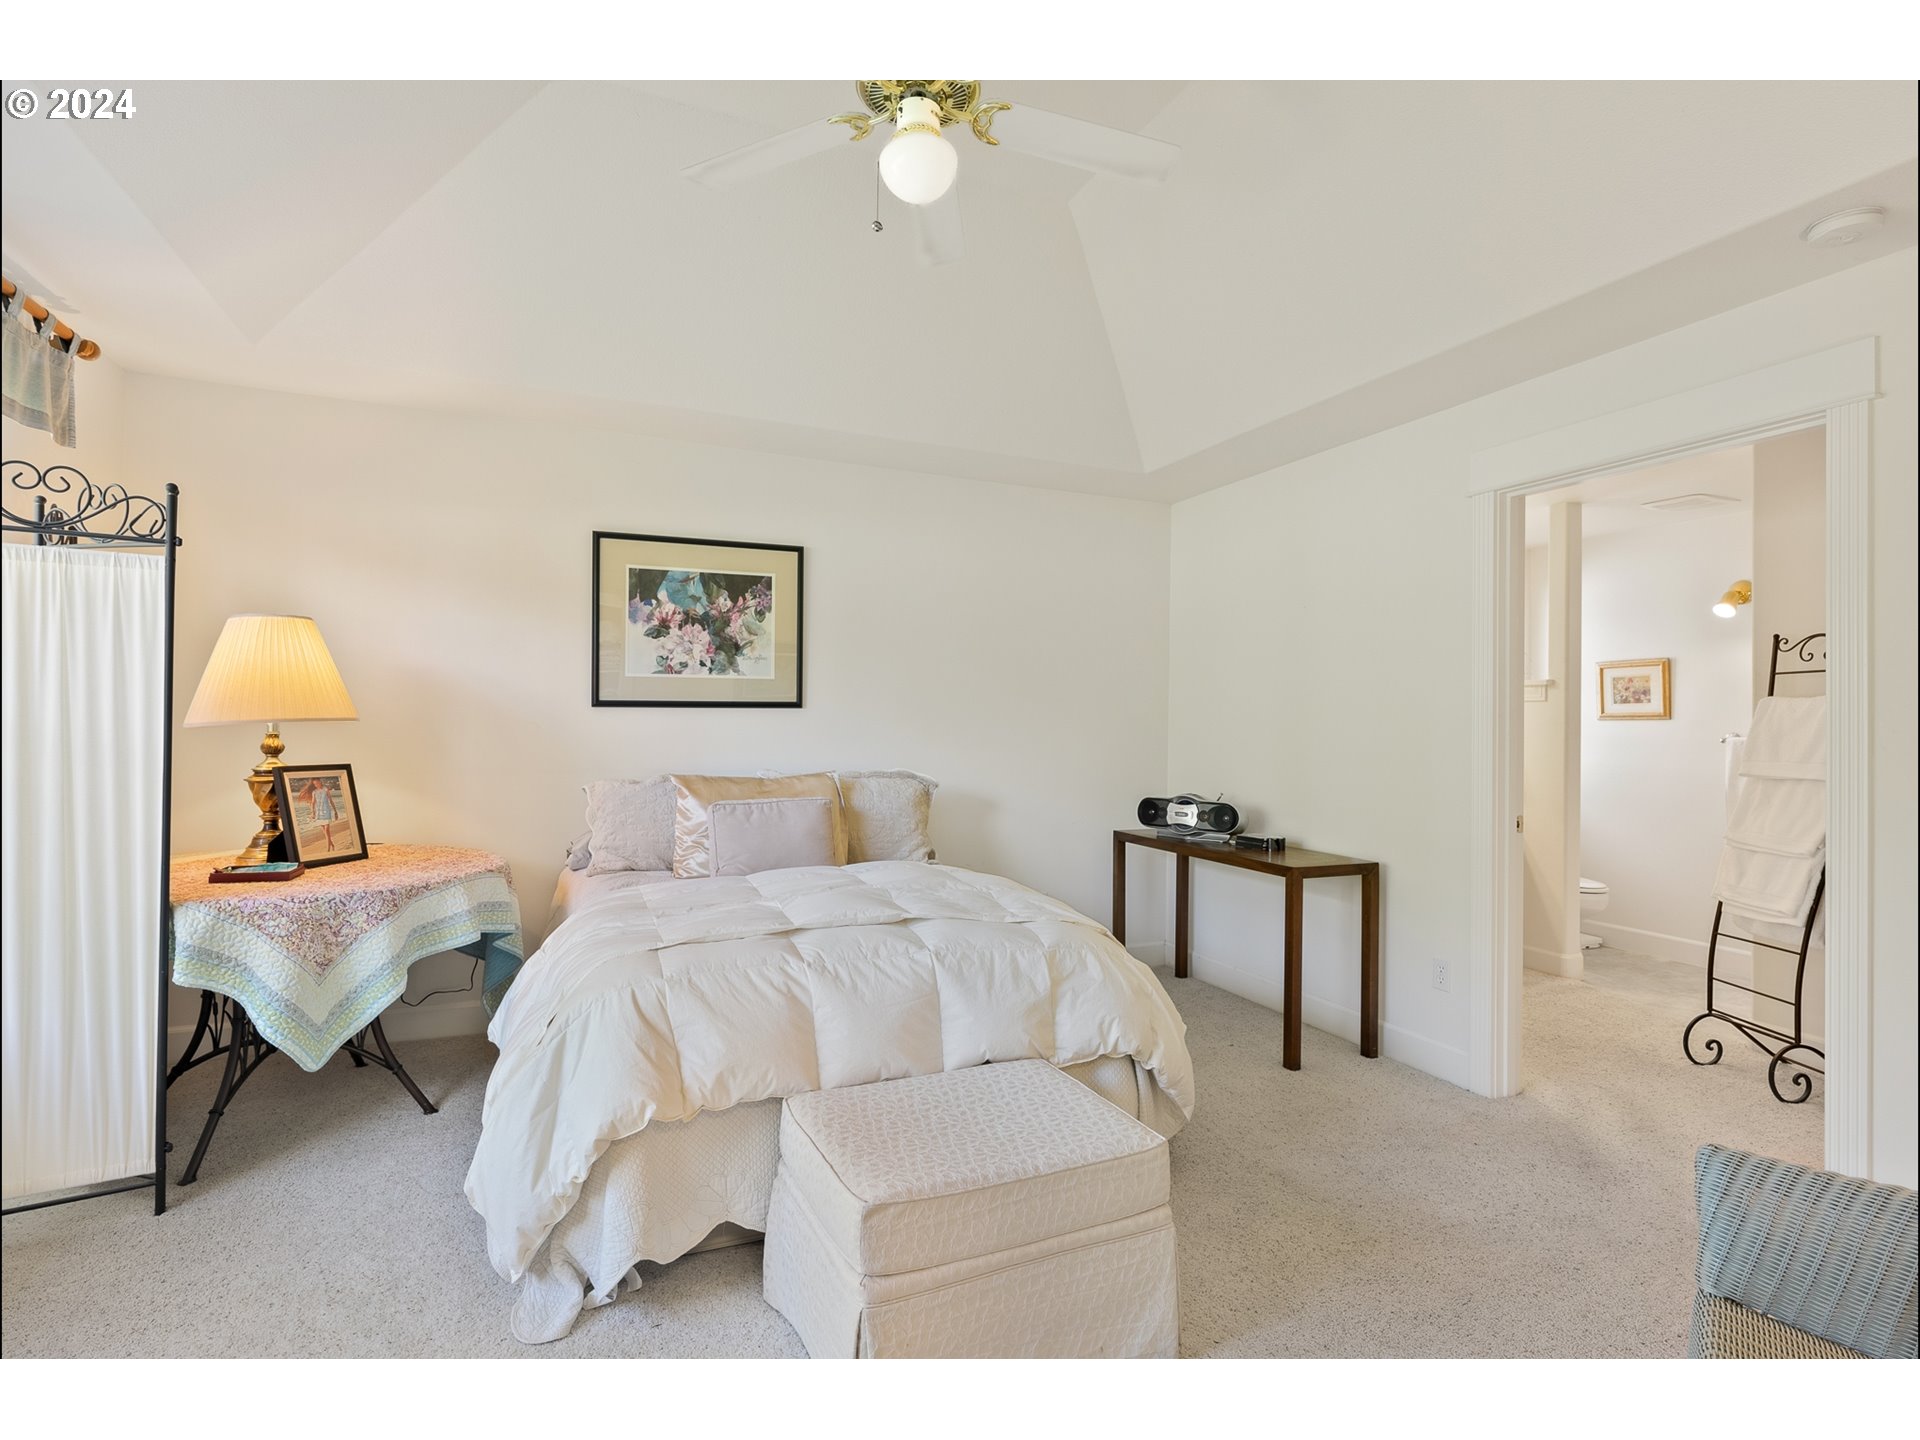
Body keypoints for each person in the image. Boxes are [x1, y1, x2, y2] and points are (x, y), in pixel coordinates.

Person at [304, 777, 340, 851]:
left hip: (326, 812)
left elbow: (330, 800)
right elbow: (313, 803)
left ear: (320, 781)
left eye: (317, 783)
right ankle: (332, 845)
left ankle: (328, 849)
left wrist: (335, 811)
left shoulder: (325, 789)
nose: (316, 784)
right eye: (315, 784)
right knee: (325, 832)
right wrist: (312, 813)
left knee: (327, 830)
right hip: (318, 813)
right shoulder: (314, 792)